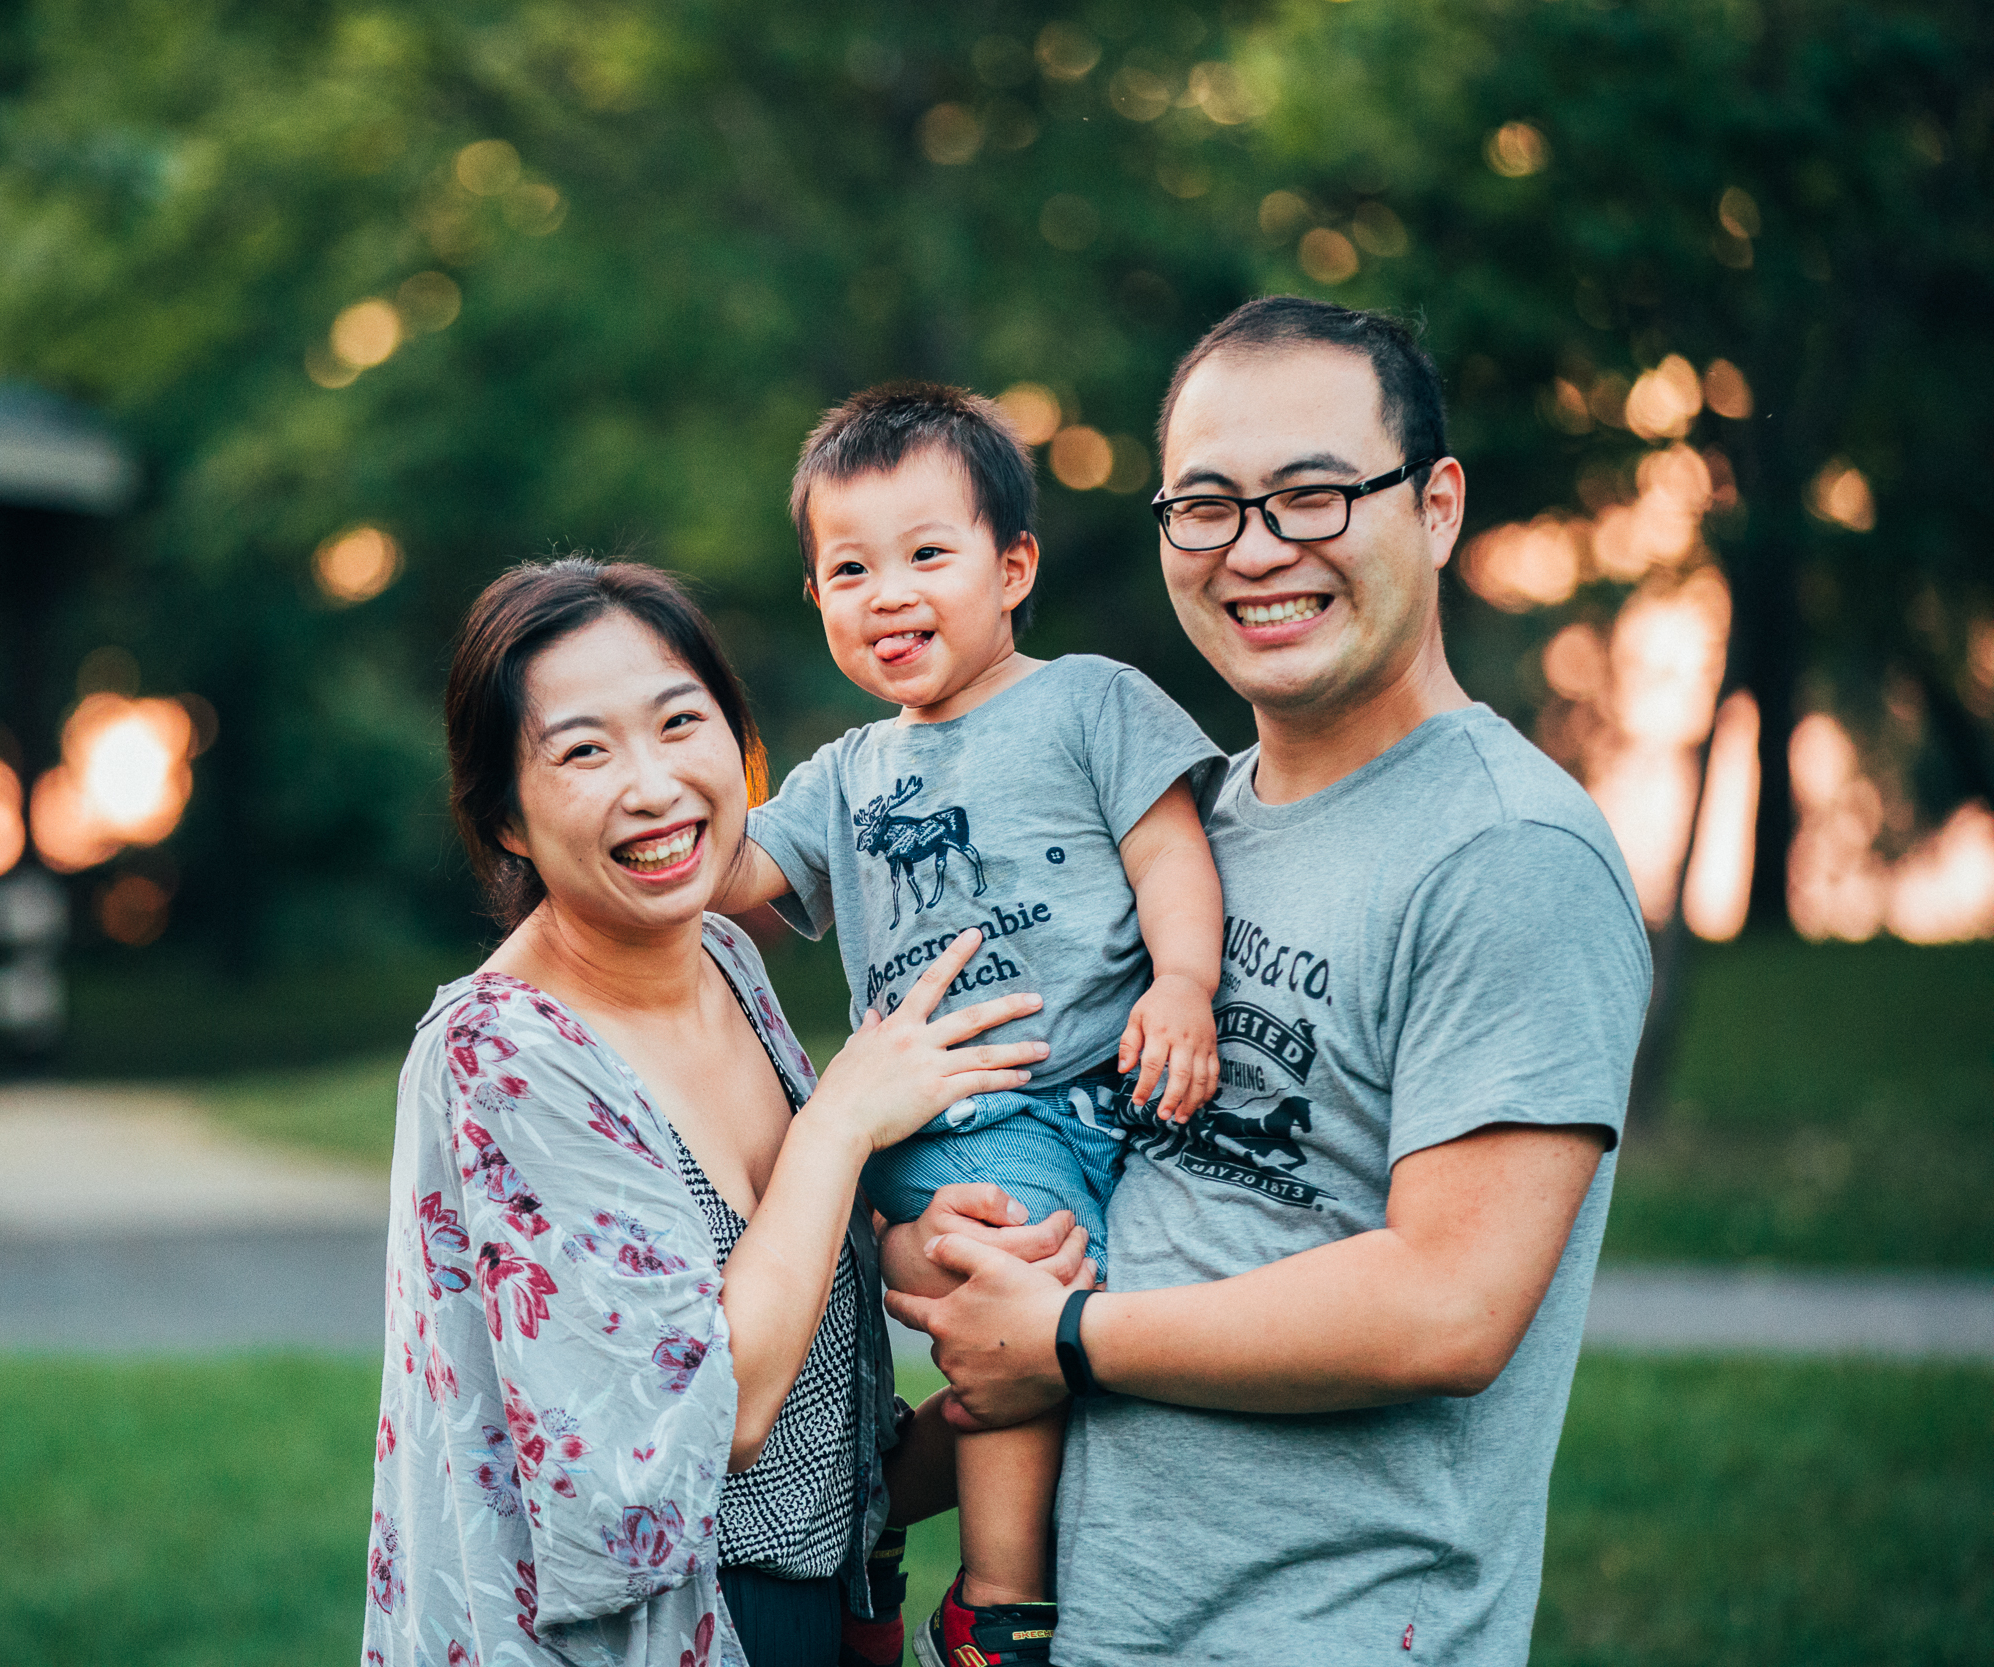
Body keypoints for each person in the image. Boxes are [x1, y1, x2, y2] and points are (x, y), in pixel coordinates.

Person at [889, 297, 1653, 1665]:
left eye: (1311, 497)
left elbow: (1450, 1304)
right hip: (1092, 1624)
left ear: (1435, 506)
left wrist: (1062, 1331)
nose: (1255, 551)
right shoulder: (1167, 832)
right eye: (1207, 505)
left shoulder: (1506, 852)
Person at [364, 557, 1084, 1667]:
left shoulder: (726, 962)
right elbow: (715, 1418)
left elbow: (811, 1448)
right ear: (504, 817)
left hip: (814, 1619)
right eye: (584, 750)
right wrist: (839, 1125)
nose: (652, 785)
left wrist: (1017, 1347)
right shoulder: (501, 1054)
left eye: (678, 722)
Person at [713, 384, 1226, 1667]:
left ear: (1013, 567)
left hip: (1105, 1100)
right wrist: (672, 758)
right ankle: (999, 1607)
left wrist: (1184, 984)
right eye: (848, 568)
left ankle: (877, 1504)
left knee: (1094, 1330)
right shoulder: (843, 773)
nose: (886, 593)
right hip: (953, 1106)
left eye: (925, 555)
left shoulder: (1089, 703)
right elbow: (724, 880)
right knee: (1025, 1285)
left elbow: (1170, 856)